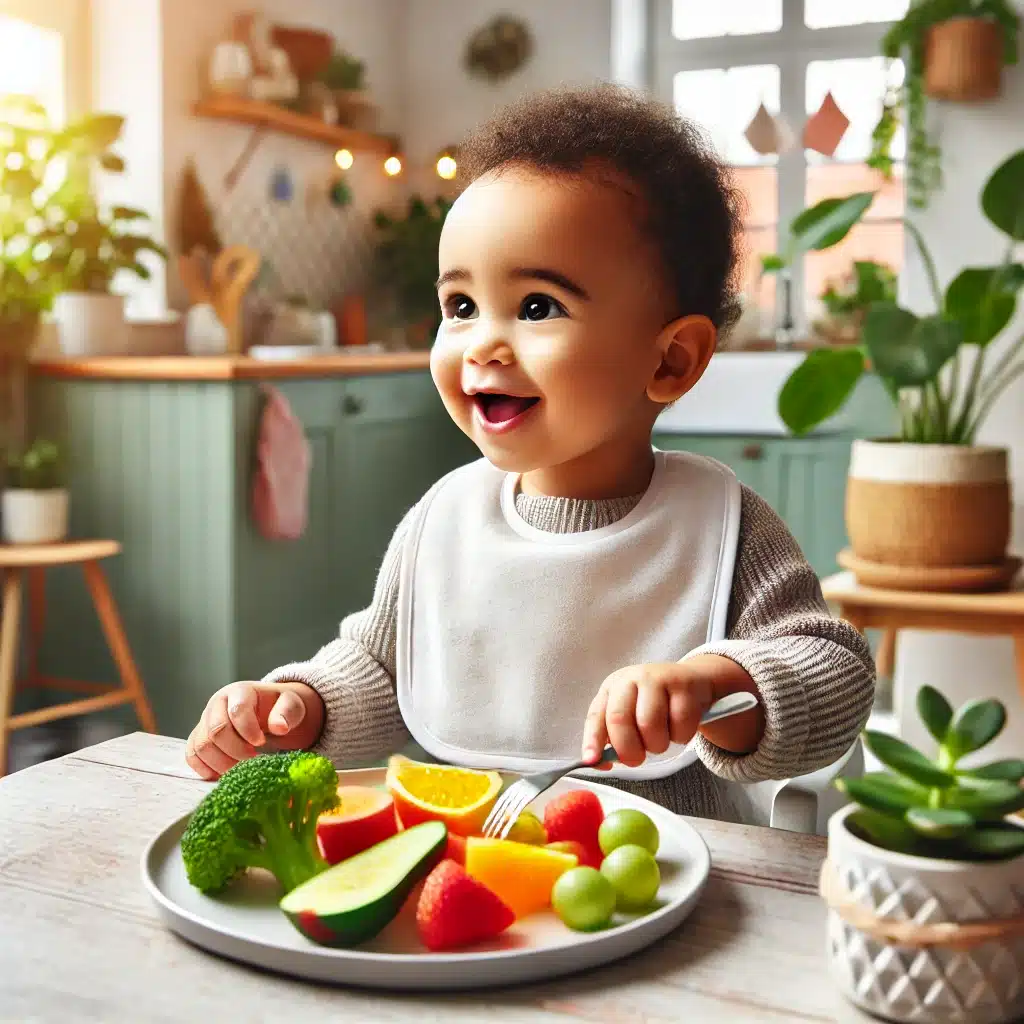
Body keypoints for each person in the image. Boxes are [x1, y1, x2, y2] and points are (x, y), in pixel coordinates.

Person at [186, 85, 875, 820]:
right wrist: (297, 705)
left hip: (679, 892)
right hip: (485, 884)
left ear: (671, 360)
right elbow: (385, 671)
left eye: (538, 306)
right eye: (460, 307)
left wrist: (717, 684)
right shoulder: (445, 516)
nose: (482, 341)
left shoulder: (722, 525)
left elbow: (836, 670)